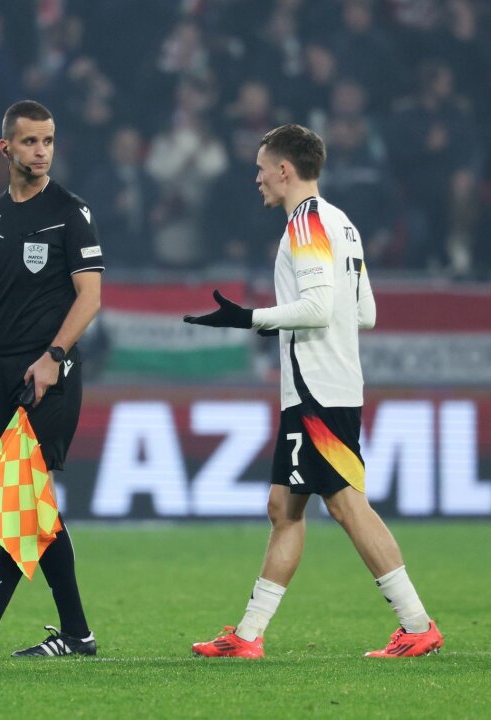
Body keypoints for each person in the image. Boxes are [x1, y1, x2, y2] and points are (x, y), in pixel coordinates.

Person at [183, 124, 443, 659]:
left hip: (316, 389)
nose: (256, 178)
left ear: (285, 169)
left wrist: (249, 317)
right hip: (331, 383)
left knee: (347, 506)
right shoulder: (342, 222)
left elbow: (320, 307)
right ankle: (249, 636)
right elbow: (364, 312)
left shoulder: (304, 223)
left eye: (261, 168)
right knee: (284, 506)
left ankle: (417, 624)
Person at [0, 100, 103, 660]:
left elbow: (91, 296)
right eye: (30, 142)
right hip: (1, 371)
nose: (41, 151)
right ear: (5, 147)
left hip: (50, 372)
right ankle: (76, 633)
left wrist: (55, 355)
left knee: (19, 495)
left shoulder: (70, 212)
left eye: (49, 141)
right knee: (30, 504)